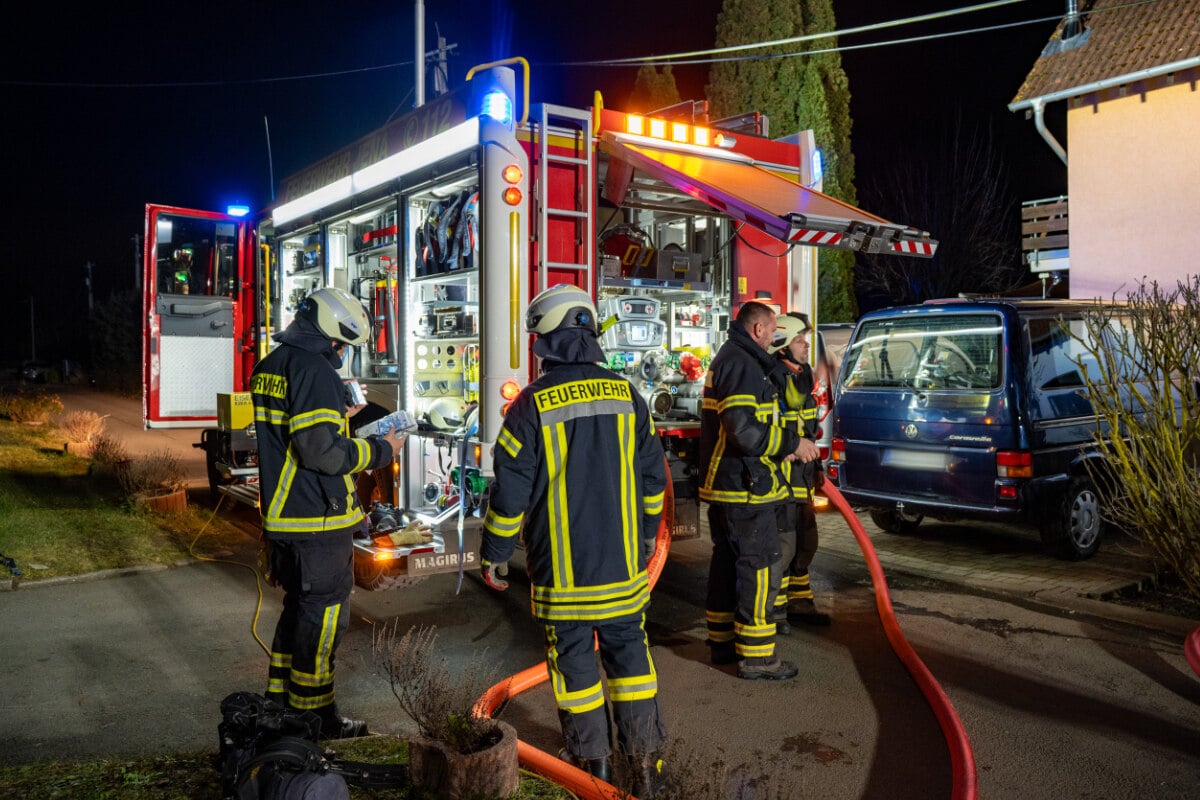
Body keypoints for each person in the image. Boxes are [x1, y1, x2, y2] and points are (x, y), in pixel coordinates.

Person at [480, 284, 670, 797]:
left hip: (565, 581)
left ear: (547, 342)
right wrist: (647, 539)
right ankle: (646, 767)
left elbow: (510, 496)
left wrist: (495, 556)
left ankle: (593, 770)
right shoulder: (628, 395)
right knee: (633, 664)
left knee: (575, 667)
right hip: (626, 572)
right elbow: (654, 480)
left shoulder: (528, 407)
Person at [250, 287, 405, 740]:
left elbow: (296, 432)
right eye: (344, 346)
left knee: (298, 614)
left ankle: (280, 709)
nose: (343, 355)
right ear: (334, 337)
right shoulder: (315, 370)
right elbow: (320, 453)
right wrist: (381, 449)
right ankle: (316, 723)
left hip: (285, 519)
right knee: (322, 625)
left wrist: (342, 414)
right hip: (315, 521)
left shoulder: (273, 365)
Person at [698, 300, 817, 681]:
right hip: (745, 487)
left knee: (729, 562)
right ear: (758, 330)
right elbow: (744, 430)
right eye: (772, 331)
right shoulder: (743, 364)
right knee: (761, 566)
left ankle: (722, 643)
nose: (775, 339)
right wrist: (791, 445)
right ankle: (758, 657)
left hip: (735, 484)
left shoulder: (737, 359)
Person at [767, 312, 832, 631]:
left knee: (807, 542)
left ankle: (800, 601)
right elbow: (790, 403)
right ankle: (775, 610)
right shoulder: (776, 376)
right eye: (799, 340)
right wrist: (818, 373)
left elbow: (807, 429)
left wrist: (817, 467)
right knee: (785, 546)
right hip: (780, 479)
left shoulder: (800, 375)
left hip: (802, 478)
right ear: (781, 345)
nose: (806, 344)